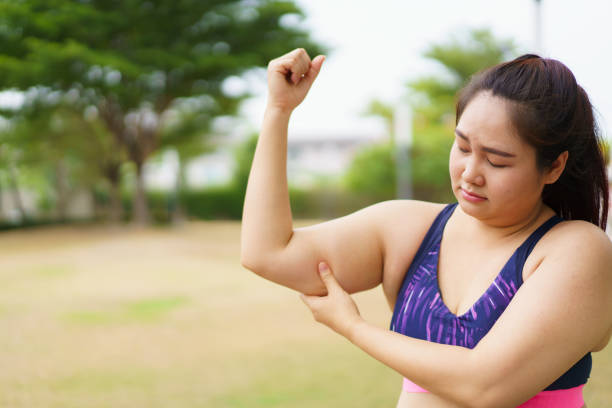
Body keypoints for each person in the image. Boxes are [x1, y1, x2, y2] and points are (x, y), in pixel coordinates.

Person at [240, 48, 612, 408]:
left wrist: (354, 327)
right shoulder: (409, 229)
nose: (470, 173)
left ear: (554, 167)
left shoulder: (578, 251)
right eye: (463, 147)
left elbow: (485, 388)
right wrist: (278, 110)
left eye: (497, 162)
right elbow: (269, 253)